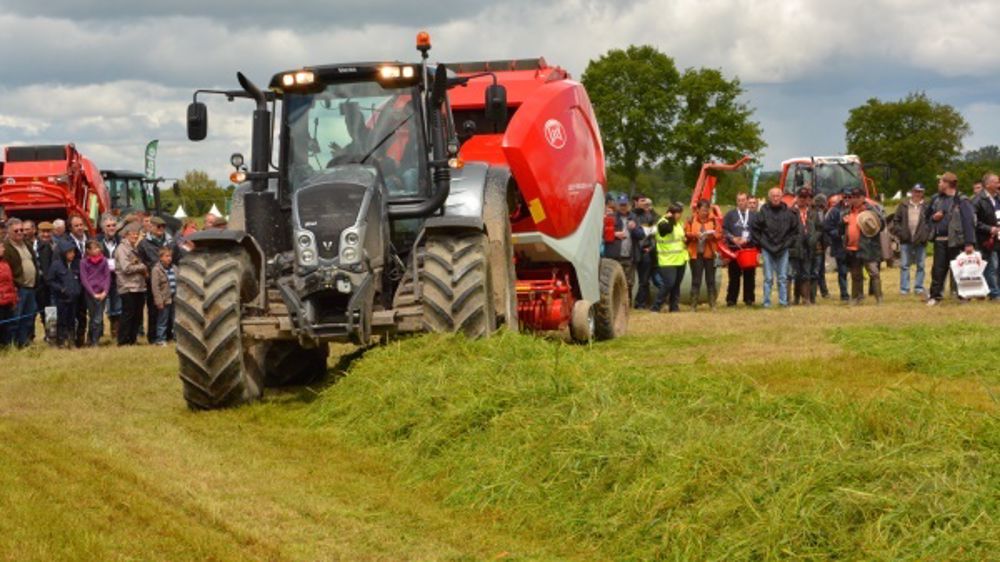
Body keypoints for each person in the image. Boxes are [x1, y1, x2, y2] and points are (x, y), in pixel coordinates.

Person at [926, 172, 976, 306]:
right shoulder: (936, 199)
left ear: (948, 184)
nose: (939, 184)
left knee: (960, 270)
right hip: (940, 240)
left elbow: (968, 222)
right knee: (938, 270)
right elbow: (926, 218)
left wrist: (969, 243)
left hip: (957, 241)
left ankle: (963, 296)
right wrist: (933, 218)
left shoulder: (962, 200)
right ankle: (935, 296)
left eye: (941, 182)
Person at [752, 187, 799, 308]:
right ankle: (766, 302)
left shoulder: (788, 213)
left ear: (781, 197)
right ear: (769, 197)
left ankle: (783, 302)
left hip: (783, 248)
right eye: (773, 195)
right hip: (767, 248)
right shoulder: (763, 211)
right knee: (768, 278)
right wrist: (762, 243)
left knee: (783, 277)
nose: (775, 198)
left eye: (778, 195)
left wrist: (787, 243)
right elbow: (755, 230)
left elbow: (794, 231)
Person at [840, 187, 884, 305]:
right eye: (853, 197)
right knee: (855, 274)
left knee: (873, 272)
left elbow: (882, 225)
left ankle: (879, 298)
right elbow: (840, 230)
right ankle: (856, 297)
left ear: (863, 198)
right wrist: (843, 222)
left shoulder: (871, 209)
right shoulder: (847, 211)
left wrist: (871, 219)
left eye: (857, 197)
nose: (854, 199)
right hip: (852, 247)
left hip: (868, 247)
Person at [138, 216, 174, 344]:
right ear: (151, 227)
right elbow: (141, 262)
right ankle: (153, 337)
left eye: (163, 227)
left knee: (169, 310)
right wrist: (149, 273)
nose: (161, 229)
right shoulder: (143, 244)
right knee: (154, 310)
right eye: (158, 227)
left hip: (169, 280)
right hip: (152, 281)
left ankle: (168, 335)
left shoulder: (170, 242)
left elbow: (176, 259)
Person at [3, 218, 39, 347]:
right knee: (15, 319)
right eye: (16, 230)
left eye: (21, 230)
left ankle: (23, 343)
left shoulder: (27, 244)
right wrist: (13, 287)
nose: (19, 232)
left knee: (28, 318)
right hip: (18, 289)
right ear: (8, 231)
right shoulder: (6, 248)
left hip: (31, 288)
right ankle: (10, 345)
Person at [603, 195, 645, 305]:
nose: (623, 207)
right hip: (614, 256)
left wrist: (634, 228)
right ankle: (614, 304)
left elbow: (641, 235)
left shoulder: (634, 217)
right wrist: (614, 234)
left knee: (629, 283)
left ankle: (627, 305)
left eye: (625, 205)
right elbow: (602, 234)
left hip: (629, 257)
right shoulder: (610, 217)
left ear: (629, 205)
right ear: (617, 205)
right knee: (613, 282)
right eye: (621, 205)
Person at [891, 183, 931, 296]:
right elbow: (896, 220)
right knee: (904, 265)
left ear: (923, 193)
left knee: (921, 265)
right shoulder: (903, 205)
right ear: (912, 192)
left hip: (921, 240)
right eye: (916, 191)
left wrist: (926, 234)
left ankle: (918, 288)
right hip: (906, 239)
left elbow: (931, 222)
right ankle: (904, 289)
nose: (917, 194)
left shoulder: (927, 206)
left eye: (920, 191)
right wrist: (900, 233)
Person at [650, 203, 689, 313]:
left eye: (680, 213)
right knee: (668, 284)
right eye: (677, 213)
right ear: (670, 212)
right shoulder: (663, 222)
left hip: (680, 259)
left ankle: (674, 307)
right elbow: (666, 230)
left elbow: (679, 238)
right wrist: (670, 218)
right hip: (667, 260)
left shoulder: (679, 224)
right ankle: (656, 306)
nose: (679, 215)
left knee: (676, 285)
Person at [115, 222, 149, 345]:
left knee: (137, 315)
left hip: (139, 287)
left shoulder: (135, 248)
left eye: (137, 234)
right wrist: (142, 267)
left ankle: (132, 340)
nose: (135, 237)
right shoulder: (122, 249)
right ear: (126, 235)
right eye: (133, 234)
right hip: (127, 286)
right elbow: (126, 268)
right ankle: (123, 341)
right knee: (128, 314)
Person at [685, 200, 722, 311]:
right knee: (696, 280)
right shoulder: (691, 220)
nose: (705, 213)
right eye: (702, 210)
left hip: (710, 254)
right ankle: (693, 305)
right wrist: (695, 235)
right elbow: (685, 234)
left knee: (711, 280)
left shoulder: (714, 220)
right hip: (696, 255)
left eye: (707, 210)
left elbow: (720, 234)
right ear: (698, 210)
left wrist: (711, 235)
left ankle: (712, 304)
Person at [789, 188, 823, 305]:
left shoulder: (813, 213)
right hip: (795, 246)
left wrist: (814, 238)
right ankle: (796, 298)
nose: (803, 200)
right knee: (795, 273)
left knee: (806, 273)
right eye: (801, 197)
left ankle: (806, 298)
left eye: (805, 197)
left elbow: (819, 228)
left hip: (809, 247)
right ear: (797, 197)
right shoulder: (791, 212)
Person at [722, 192, 756, 307]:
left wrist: (748, 239)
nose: (741, 202)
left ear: (747, 201)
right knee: (734, 276)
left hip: (748, 249)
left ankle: (749, 299)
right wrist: (733, 238)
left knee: (749, 276)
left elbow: (757, 231)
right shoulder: (730, 215)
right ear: (736, 202)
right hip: (734, 250)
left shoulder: (753, 216)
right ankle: (731, 299)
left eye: (743, 200)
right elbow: (724, 230)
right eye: (739, 200)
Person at [47, 239, 81, 348]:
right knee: (61, 320)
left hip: (74, 298)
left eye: (73, 252)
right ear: (63, 253)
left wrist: (78, 289)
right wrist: (61, 289)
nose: (72, 254)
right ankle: (61, 341)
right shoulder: (56, 265)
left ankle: (71, 340)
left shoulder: (76, 264)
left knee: (72, 320)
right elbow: (50, 280)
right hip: (61, 298)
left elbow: (80, 279)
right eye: (69, 252)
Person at [971, 172, 1000, 300]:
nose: (999, 184)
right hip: (986, 240)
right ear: (988, 185)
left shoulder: (998, 197)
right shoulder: (977, 200)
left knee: (997, 266)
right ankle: (994, 294)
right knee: (991, 266)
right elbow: (974, 221)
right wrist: (990, 229)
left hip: (998, 238)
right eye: (996, 182)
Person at [96, 214, 123, 337]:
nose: (111, 228)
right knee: (100, 307)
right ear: (103, 228)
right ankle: (98, 334)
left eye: (113, 225)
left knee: (117, 305)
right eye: (108, 226)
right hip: (101, 279)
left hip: (117, 278)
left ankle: (115, 332)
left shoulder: (121, 240)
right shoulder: (96, 241)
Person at [630, 196, 659, 309]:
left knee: (644, 280)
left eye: (646, 201)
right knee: (631, 279)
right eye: (642, 201)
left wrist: (651, 247)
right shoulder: (631, 215)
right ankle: (629, 302)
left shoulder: (649, 214)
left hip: (645, 251)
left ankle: (641, 303)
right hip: (632, 252)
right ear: (635, 202)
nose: (644, 203)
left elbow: (654, 232)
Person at [80, 239, 111, 346]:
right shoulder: (83, 262)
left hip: (102, 293)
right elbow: (84, 279)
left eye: (98, 248)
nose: (97, 250)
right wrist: (92, 293)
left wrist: (105, 292)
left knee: (98, 318)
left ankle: (95, 341)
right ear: (88, 250)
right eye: (94, 248)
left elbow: (107, 277)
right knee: (93, 317)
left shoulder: (104, 261)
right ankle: (90, 338)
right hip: (90, 293)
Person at [66, 215, 89, 346]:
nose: (80, 228)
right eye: (76, 225)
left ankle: (81, 339)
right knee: (72, 312)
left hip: (88, 283)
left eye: (81, 224)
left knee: (83, 313)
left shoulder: (90, 240)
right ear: (70, 228)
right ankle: (71, 340)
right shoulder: (66, 242)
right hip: (73, 282)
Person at [151, 247, 177, 346]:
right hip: (164, 299)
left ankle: (176, 338)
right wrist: (159, 301)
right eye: (167, 256)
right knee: (163, 320)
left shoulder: (174, 268)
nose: (169, 258)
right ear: (161, 258)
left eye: (170, 256)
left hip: (174, 298)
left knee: (175, 319)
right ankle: (160, 339)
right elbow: (155, 287)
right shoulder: (156, 270)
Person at [811, 193, 831, 300]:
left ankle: (824, 291)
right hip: (817, 245)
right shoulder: (817, 213)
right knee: (817, 270)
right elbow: (820, 229)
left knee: (820, 270)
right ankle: (814, 293)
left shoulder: (823, 213)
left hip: (822, 245)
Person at [0, 243, 18, 347]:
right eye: (1, 247)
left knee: (7, 326)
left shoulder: (5, 263)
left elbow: (10, 283)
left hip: (8, 300)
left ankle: (6, 346)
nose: (3, 249)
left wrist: (14, 298)